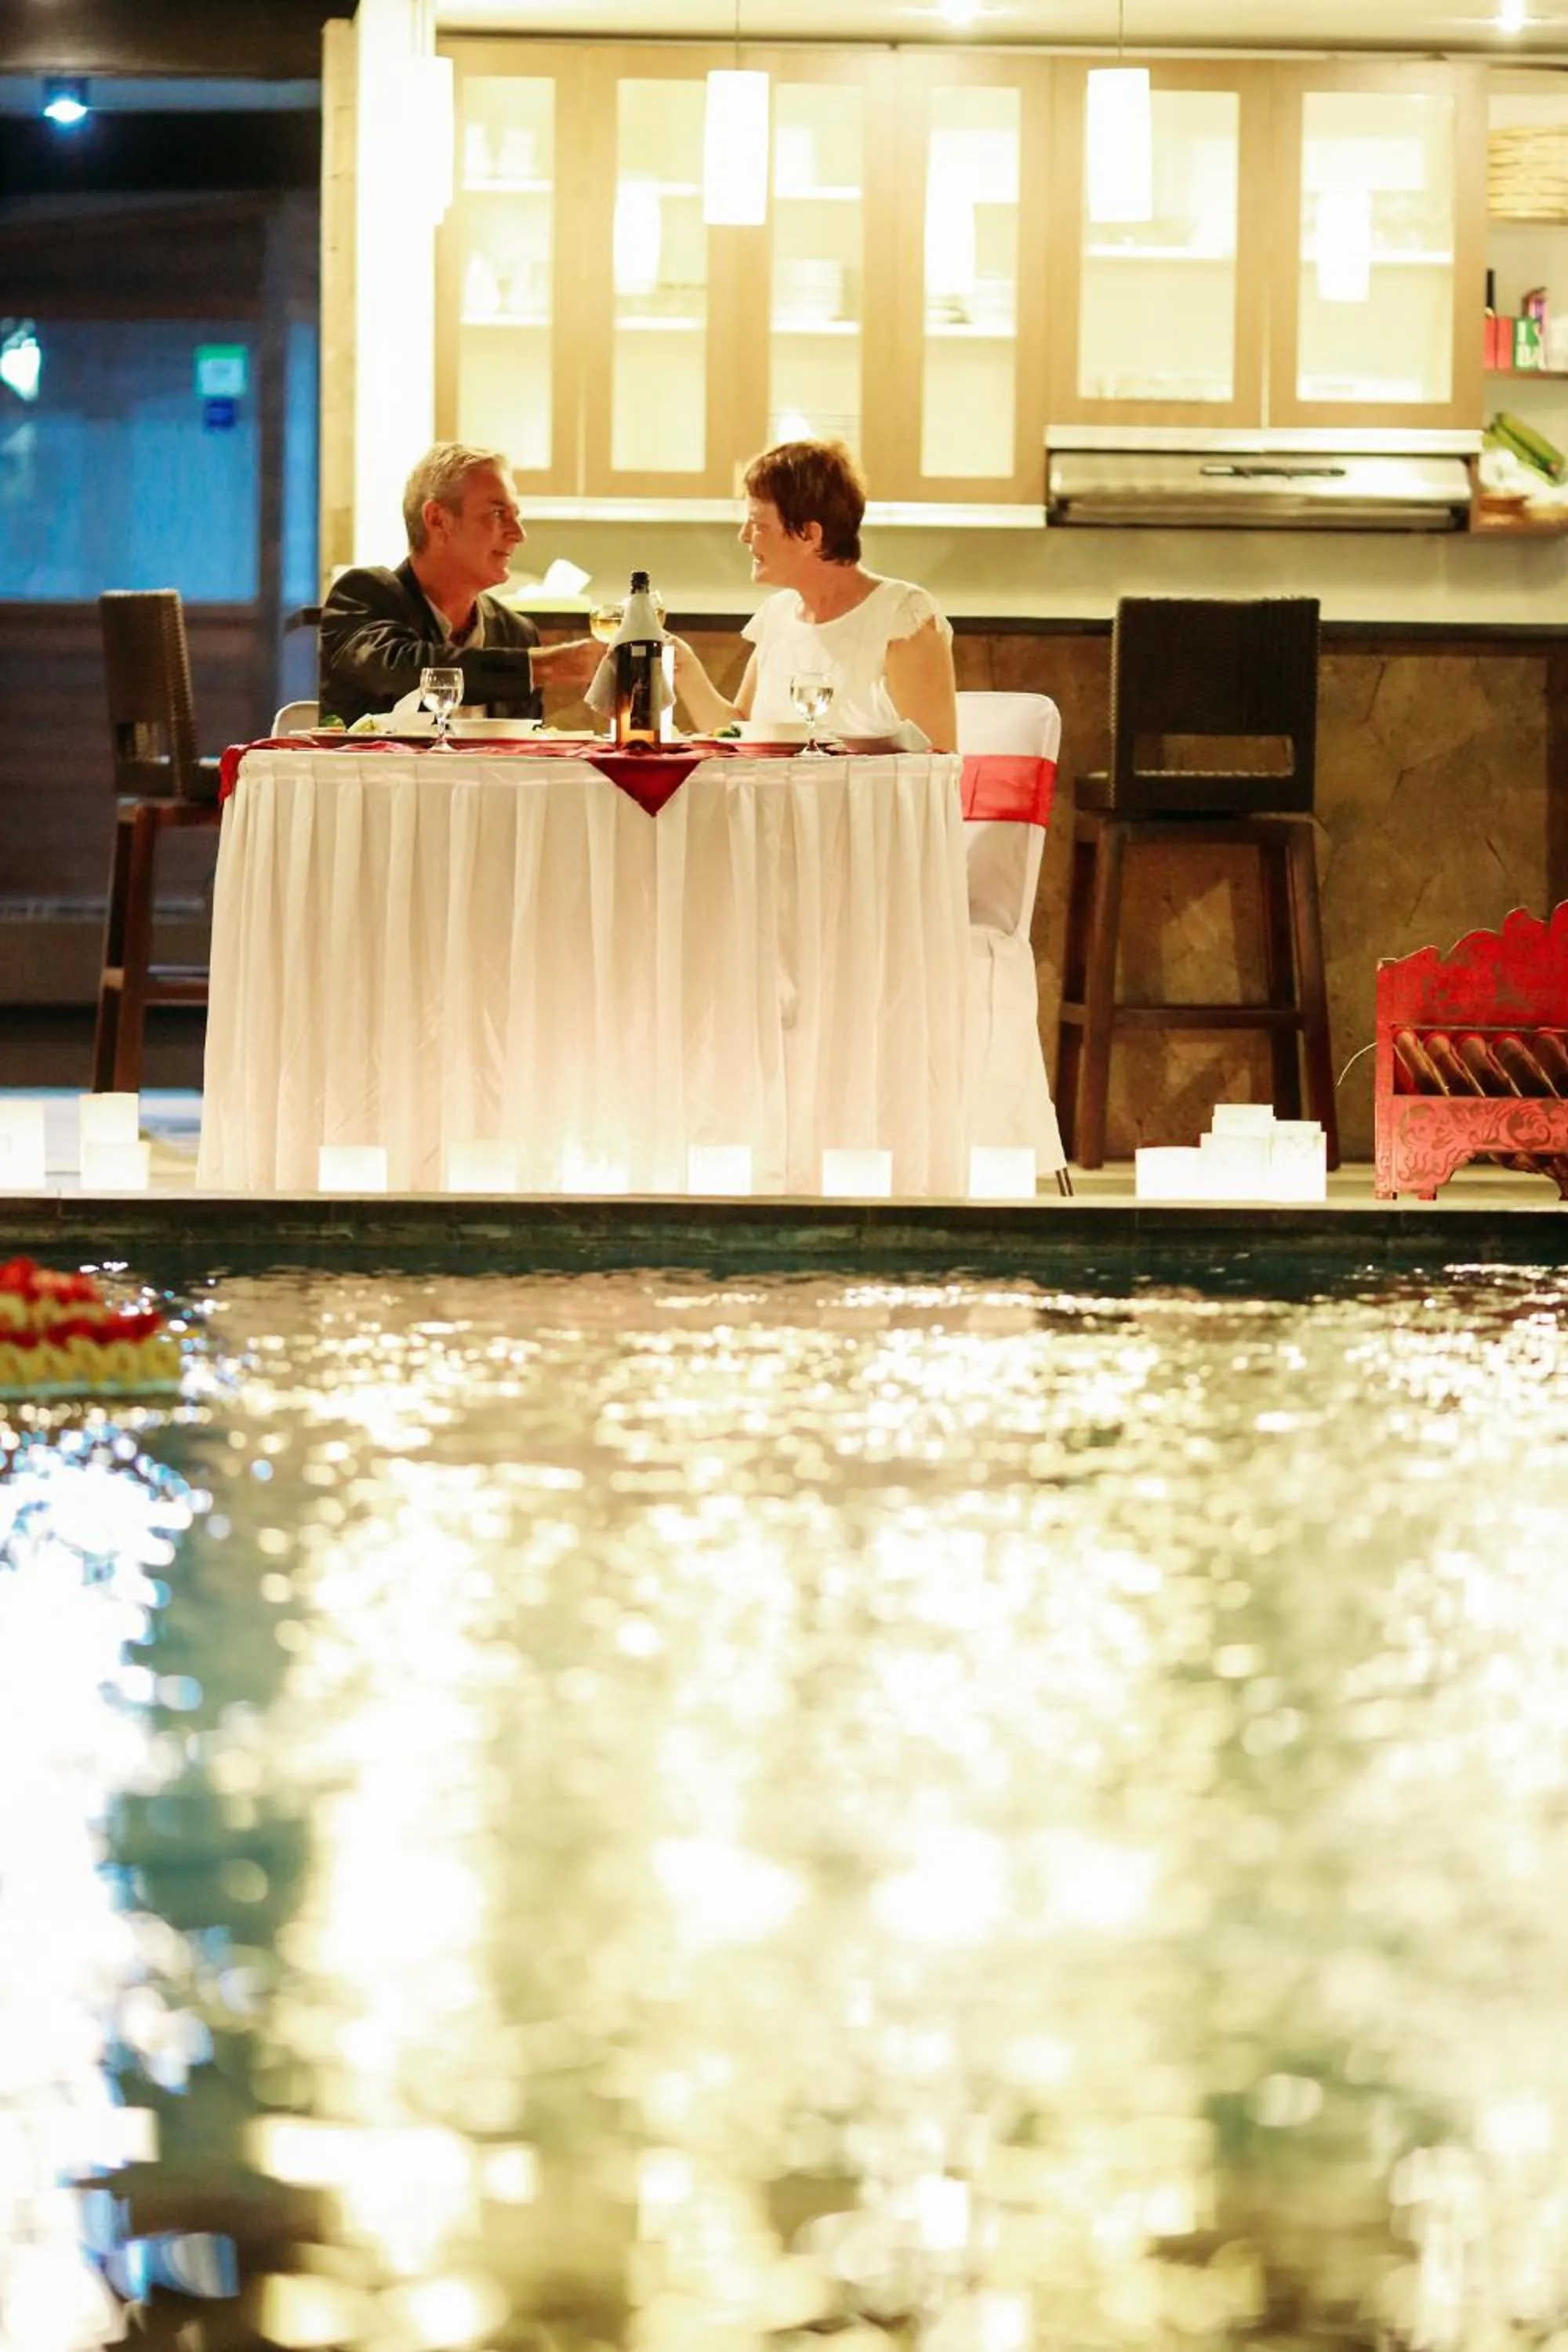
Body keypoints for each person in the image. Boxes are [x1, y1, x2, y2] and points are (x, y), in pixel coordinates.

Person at [671, 439, 958, 752]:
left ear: (809, 534)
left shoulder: (902, 614)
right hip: (776, 799)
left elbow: (937, 757)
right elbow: (742, 733)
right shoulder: (776, 615)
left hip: (867, 801)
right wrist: (685, 669)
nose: (743, 536)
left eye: (757, 525)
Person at [318, 442, 598, 729]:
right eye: (499, 514)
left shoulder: (515, 633)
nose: (519, 534)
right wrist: (544, 666)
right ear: (438, 520)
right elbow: (400, 671)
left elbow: (521, 758)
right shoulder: (363, 596)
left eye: (517, 515)